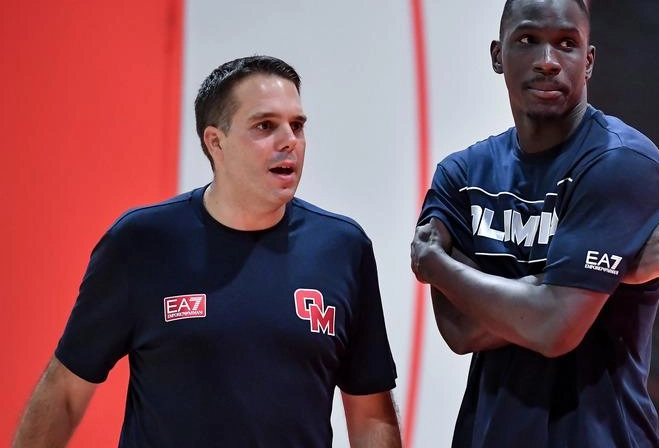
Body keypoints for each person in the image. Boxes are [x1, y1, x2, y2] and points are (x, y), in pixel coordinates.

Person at [13, 56, 401, 448]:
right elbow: (64, 392)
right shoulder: (140, 243)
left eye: (297, 126)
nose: (290, 141)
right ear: (215, 141)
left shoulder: (343, 248)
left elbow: (370, 412)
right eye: (265, 126)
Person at [411, 0, 659, 446]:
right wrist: (601, 275)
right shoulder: (463, 174)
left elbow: (554, 329)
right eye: (528, 40)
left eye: (566, 44)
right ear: (497, 55)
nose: (547, 62)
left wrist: (438, 265)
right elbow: (459, 329)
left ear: (588, 61)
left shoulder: (621, 163)